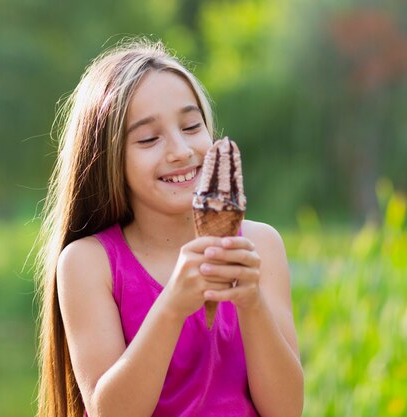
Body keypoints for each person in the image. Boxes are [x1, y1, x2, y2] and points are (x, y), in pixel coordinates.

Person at [35, 39, 304, 417]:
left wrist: (251, 302)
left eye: (191, 126)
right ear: (107, 158)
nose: (180, 150)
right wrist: (173, 305)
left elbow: (287, 409)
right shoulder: (88, 263)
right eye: (149, 138)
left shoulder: (261, 245)